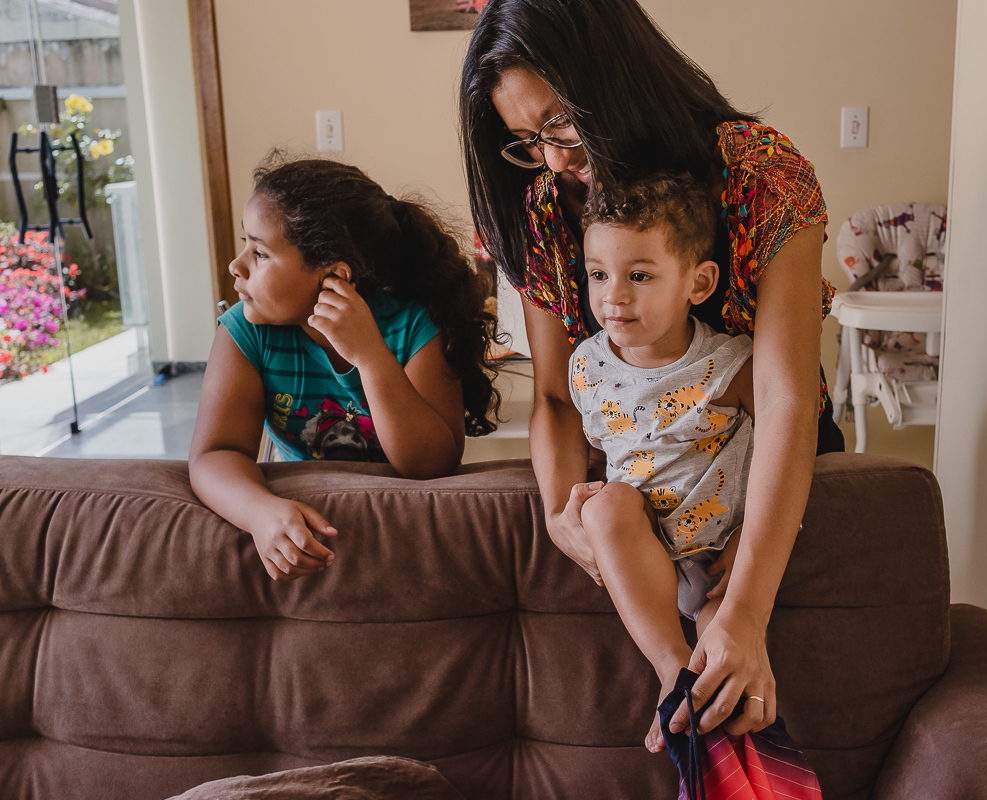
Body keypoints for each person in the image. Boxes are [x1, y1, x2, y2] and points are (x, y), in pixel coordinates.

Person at [460, 0, 845, 744]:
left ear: (614, 78)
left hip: (758, 446)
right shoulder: (543, 205)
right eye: (526, 142)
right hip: (643, 465)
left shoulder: (759, 172)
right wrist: (558, 511)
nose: (554, 160)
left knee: (743, 671)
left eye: (562, 124)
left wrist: (749, 607)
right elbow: (551, 394)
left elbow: (787, 398)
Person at [189, 156, 499, 582]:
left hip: (399, 539)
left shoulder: (412, 327)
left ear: (334, 276)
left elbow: (431, 465)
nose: (236, 266)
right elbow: (213, 455)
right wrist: (260, 513)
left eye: (259, 252)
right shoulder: (246, 331)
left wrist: (370, 357)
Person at [571, 173, 757, 752]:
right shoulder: (586, 368)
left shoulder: (733, 364)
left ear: (697, 283)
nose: (613, 296)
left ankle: (708, 718)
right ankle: (670, 670)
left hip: (720, 554)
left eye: (640, 275)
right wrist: (586, 502)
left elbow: (786, 451)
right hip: (645, 549)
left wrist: (748, 539)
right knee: (605, 508)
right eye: (599, 274)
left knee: (725, 674)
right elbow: (607, 457)